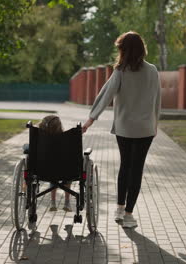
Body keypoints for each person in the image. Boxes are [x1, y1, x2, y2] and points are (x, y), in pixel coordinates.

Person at [82, 31, 161, 228]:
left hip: (125, 128)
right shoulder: (152, 70)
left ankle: (119, 208)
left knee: (125, 166)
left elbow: (106, 95)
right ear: (141, 49)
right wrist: (155, 123)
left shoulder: (120, 71)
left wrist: (90, 119)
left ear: (124, 50)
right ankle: (128, 215)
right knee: (137, 169)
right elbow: (157, 100)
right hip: (146, 128)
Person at [39, 115, 72, 212]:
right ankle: (67, 202)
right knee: (67, 174)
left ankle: (53, 202)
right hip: (66, 171)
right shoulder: (67, 139)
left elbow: (29, 149)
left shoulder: (39, 140)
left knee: (52, 174)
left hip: (44, 170)